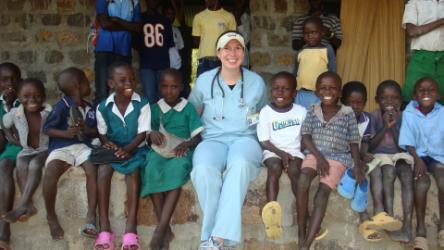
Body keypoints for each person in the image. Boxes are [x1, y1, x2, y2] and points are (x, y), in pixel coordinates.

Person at [188, 31, 267, 249]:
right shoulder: (204, 81)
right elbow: (190, 113)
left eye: (238, 48)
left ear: (244, 52)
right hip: (212, 140)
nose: (232, 53)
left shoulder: (256, 82)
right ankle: (217, 239)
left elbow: (266, 115)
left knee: (239, 165)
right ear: (218, 52)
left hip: (246, 139)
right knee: (203, 169)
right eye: (227, 48)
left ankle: (215, 239)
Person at [296, 72, 365, 250]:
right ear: (317, 92)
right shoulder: (312, 109)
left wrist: (357, 165)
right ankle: (302, 231)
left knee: (322, 193)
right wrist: (319, 158)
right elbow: (305, 136)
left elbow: (353, 141)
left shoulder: (347, 113)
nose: (328, 91)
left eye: (332, 88)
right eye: (323, 88)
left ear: (339, 92)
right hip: (314, 154)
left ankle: (306, 243)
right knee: (303, 180)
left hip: (338, 158)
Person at [141, 68, 203, 250]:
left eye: (174, 87)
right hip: (160, 151)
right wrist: (152, 134)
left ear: (182, 87)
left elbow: (197, 136)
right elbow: (147, 132)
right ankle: (164, 227)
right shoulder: (154, 108)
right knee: (151, 168)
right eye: (165, 87)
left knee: (177, 171)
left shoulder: (188, 109)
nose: (169, 91)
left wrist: (187, 144)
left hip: (181, 150)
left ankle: (160, 230)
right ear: (159, 88)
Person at [94, 62, 150, 250]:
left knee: (133, 172)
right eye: (122, 80)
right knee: (103, 171)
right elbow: (102, 132)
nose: (129, 83)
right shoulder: (103, 107)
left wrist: (128, 149)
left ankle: (131, 230)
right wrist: (108, 143)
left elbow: (143, 133)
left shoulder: (142, 103)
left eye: (132, 79)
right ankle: (104, 228)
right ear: (111, 83)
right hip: (114, 149)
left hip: (136, 148)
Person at [42, 68, 98, 240]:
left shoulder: (89, 108)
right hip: (62, 147)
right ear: (77, 86)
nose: (89, 85)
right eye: (86, 82)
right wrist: (65, 134)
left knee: (92, 168)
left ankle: (90, 216)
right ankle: (51, 215)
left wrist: (86, 130)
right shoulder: (62, 106)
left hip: (83, 147)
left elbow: (96, 131)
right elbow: (47, 129)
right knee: (51, 171)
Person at [257, 72, 306, 240]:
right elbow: (264, 140)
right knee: (275, 168)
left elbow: (306, 137)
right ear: (271, 91)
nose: (280, 93)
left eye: (285, 89)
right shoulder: (266, 112)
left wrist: (294, 154)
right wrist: (281, 154)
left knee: (294, 172)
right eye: (276, 89)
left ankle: (303, 217)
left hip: (294, 152)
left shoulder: (301, 111)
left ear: (294, 93)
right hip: (272, 150)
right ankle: (271, 212)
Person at [399, 77, 444, 249]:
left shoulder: (442, 112)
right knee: (421, 182)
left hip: (438, 156)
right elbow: (408, 140)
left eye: (431, 90)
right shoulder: (409, 112)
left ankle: (442, 228)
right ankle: (420, 231)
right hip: (417, 154)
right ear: (414, 95)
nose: (426, 93)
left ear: (438, 94)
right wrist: (417, 159)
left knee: (442, 180)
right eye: (421, 90)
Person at [367, 80, 413, 243]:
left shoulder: (405, 117)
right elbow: (370, 147)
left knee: (407, 176)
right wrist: (385, 126)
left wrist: (393, 126)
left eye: (394, 98)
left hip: (399, 155)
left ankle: (407, 225)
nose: (389, 102)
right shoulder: (372, 117)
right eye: (384, 98)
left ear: (400, 101)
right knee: (388, 173)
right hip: (380, 155)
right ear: (376, 99)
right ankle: (388, 217)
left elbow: (402, 148)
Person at [1, 79, 51, 224]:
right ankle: (28, 206)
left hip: (46, 148)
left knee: (35, 165)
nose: (32, 100)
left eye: (37, 96)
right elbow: (4, 122)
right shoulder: (16, 113)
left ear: (44, 97)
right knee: (21, 164)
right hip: (27, 150)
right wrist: (11, 137)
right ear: (19, 98)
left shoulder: (49, 112)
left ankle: (22, 205)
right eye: (26, 96)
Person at [339, 81, 382, 242]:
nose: (356, 106)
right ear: (343, 102)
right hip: (342, 155)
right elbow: (341, 146)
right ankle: (364, 218)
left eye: (360, 102)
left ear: (365, 102)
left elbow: (365, 141)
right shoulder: (339, 118)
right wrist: (358, 161)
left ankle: (380, 213)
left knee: (375, 169)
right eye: (351, 102)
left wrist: (363, 155)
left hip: (357, 156)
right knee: (360, 173)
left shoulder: (367, 118)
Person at [94, 0, 142, 105]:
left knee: (126, 91)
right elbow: (105, 23)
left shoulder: (134, 2)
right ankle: (101, 121)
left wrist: (118, 20)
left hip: (124, 51)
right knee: (102, 93)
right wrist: (128, 26)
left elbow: (138, 28)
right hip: (104, 49)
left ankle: (125, 120)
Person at [401, 0, 444, 102]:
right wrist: (441, 21)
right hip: (421, 58)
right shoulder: (415, 3)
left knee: (441, 98)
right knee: (410, 95)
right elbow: (412, 31)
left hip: (442, 59)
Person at [0, 62, 22, 250]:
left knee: (5, 167)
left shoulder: (25, 100)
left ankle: (4, 229)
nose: (10, 83)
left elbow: (19, 135)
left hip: (20, 148)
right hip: (5, 147)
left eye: (14, 79)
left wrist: (9, 105)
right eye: (5, 80)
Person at [294, 17, 336, 109]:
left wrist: (331, 90)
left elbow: (332, 71)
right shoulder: (301, 51)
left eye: (314, 32)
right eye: (306, 33)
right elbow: (296, 71)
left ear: (321, 33)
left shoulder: (327, 49)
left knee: (318, 118)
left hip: (320, 94)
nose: (310, 36)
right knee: (301, 117)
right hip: (301, 93)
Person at [138, 0, 175, 104]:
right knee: (149, 98)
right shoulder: (140, 19)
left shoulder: (165, 20)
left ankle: (163, 121)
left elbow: (169, 43)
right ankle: (151, 121)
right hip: (147, 64)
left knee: (164, 97)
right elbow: (135, 42)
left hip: (162, 64)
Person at [192, 0, 236, 77]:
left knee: (222, 87)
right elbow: (196, 41)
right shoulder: (198, 17)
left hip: (222, 60)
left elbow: (232, 40)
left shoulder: (229, 17)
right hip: (204, 61)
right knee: (203, 88)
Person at [162, 3, 185, 71]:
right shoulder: (159, 29)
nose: (171, 16)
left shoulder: (176, 30)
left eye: (173, 14)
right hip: (162, 65)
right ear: (163, 15)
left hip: (176, 65)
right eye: (168, 14)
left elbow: (180, 48)